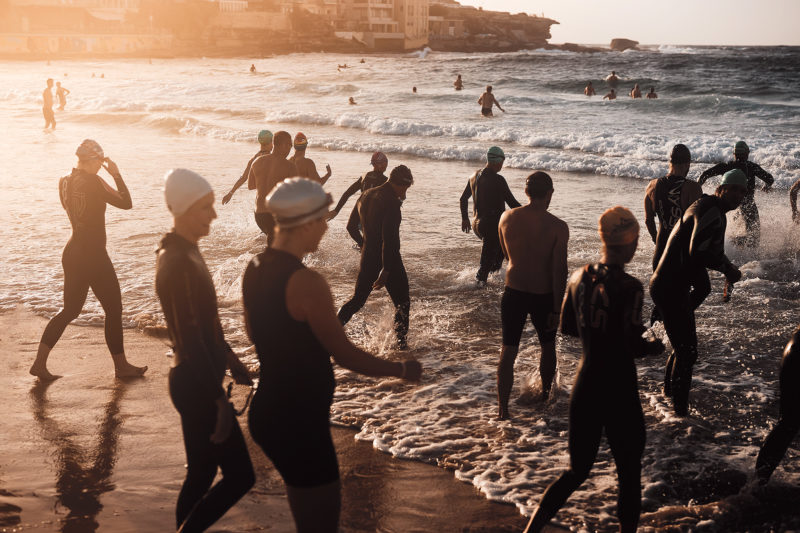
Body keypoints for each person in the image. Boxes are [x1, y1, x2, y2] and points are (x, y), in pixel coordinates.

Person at [243, 178, 422, 533]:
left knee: (306, 518)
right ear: (304, 222)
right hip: (299, 420)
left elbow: (253, 334)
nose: (326, 227)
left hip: (268, 410)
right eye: (322, 220)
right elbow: (344, 354)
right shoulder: (307, 282)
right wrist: (401, 368)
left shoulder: (255, 267)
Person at [524, 207, 664, 533]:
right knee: (629, 473)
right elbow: (634, 343)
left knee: (576, 471)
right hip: (619, 388)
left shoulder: (577, 277)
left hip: (586, 383)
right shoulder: (630, 286)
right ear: (628, 241)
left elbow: (569, 329)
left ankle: (531, 530)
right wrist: (654, 342)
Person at [156, 168, 255, 533]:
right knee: (241, 476)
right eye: (206, 208)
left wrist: (230, 359)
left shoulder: (184, 250)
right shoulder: (177, 261)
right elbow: (190, 336)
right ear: (183, 209)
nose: (214, 214)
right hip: (197, 387)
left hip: (194, 380)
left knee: (201, 474)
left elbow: (204, 322)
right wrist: (218, 402)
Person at [30, 139, 147, 380]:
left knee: (69, 310)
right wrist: (116, 174)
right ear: (93, 160)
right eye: (100, 162)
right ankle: (121, 367)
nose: (101, 166)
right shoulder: (94, 181)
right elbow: (126, 203)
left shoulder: (65, 180)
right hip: (93, 255)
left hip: (72, 251)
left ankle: (39, 364)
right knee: (113, 309)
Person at [650, 169, 747, 416]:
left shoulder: (707, 206)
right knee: (687, 351)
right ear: (721, 189)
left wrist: (726, 268)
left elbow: (705, 250)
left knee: (684, 348)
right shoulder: (713, 211)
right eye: (733, 189)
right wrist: (727, 269)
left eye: (742, 191)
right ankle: (679, 415)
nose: (738, 195)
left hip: (670, 285)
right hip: (669, 286)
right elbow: (698, 251)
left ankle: (669, 395)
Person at [496, 172, 569, 419]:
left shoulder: (506, 217)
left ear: (526, 192)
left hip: (513, 292)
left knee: (508, 350)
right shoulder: (558, 226)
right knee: (547, 347)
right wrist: (558, 308)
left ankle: (502, 410)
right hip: (542, 294)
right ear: (549, 193)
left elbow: (507, 255)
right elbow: (559, 270)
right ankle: (545, 397)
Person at [337, 166, 415, 349]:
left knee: (357, 300)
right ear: (400, 183)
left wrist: (365, 244)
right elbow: (390, 240)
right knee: (403, 303)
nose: (405, 193)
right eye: (405, 188)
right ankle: (402, 346)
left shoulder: (365, 195)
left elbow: (350, 226)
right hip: (388, 259)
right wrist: (386, 269)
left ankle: (329, 332)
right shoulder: (392, 203)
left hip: (368, 256)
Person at [460, 146, 521, 284]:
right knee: (486, 266)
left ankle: (489, 285)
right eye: (501, 163)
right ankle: (478, 289)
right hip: (491, 226)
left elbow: (463, 199)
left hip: (477, 225)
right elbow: (512, 203)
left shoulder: (473, 176)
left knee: (496, 258)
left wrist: (465, 219)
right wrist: (531, 211)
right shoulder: (498, 180)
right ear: (497, 161)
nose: (501, 166)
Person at [698, 141, 774, 247]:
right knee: (754, 237)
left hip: (727, 204)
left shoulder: (726, 166)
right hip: (747, 203)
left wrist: (697, 192)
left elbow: (704, 175)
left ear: (734, 154)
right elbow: (770, 179)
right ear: (747, 153)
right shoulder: (752, 167)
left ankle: (729, 244)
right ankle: (734, 244)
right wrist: (766, 187)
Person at [643, 143, 702, 271]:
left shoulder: (651, 186)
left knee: (659, 289)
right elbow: (700, 224)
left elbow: (648, 221)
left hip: (660, 253)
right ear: (688, 164)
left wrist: (656, 240)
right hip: (682, 254)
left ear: (670, 162)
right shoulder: (693, 188)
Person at [756, 324, 800, 484]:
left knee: (789, 423)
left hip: (794, 350)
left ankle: (757, 485)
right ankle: (757, 486)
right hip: (797, 354)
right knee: (789, 423)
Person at [329, 151, 389, 249]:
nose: (386, 164)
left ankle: (362, 246)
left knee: (352, 229)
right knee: (375, 245)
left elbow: (348, 193)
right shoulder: (385, 181)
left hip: (361, 214)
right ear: (379, 164)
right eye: (385, 162)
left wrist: (337, 210)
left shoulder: (364, 177)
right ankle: (367, 250)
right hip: (375, 219)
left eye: (386, 161)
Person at [249, 131, 297, 246]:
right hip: (275, 216)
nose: (290, 149)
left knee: (275, 240)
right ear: (284, 145)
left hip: (259, 216)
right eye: (290, 145)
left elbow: (251, 186)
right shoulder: (290, 166)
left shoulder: (256, 162)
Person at [221, 129, 273, 205]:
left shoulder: (254, 159)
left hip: (259, 201)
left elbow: (243, 178)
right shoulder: (272, 158)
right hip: (271, 200)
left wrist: (230, 193)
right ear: (270, 142)